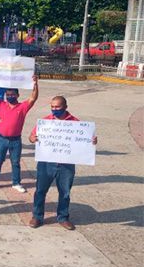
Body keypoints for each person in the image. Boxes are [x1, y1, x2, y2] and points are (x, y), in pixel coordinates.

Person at [28, 96, 97, 230]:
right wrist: (32, 138)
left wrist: (92, 142)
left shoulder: (75, 123)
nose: (54, 109)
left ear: (65, 107)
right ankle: (37, 216)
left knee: (65, 192)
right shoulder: (45, 122)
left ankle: (63, 217)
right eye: (52, 107)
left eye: (57, 107)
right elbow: (31, 137)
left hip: (66, 165)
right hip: (46, 162)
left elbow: (85, 140)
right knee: (40, 191)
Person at [0, 74, 39, 193]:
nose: (10, 96)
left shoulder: (23, 107)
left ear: (18, 95)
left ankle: (16, 183)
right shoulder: (1, 105)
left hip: (16, 140)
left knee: (15, 163)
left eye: (12, 95)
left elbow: (33, 98)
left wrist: (35, 84)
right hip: (1, 139)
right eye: (8, 95)